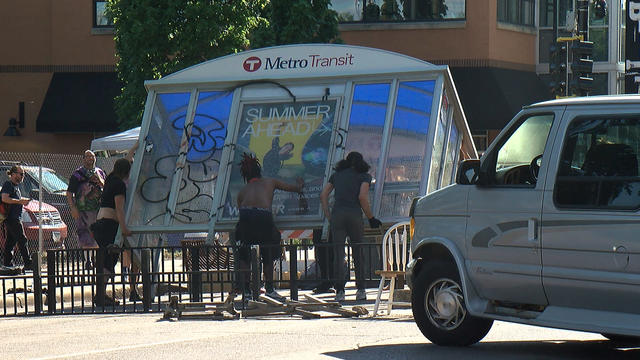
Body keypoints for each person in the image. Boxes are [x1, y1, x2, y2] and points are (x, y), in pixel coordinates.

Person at [235, 153, 304, 302]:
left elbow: (240, 208)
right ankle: (270, 289)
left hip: (246, 216)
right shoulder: (270, 182)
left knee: (245, 253)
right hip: (263, 217)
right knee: (267, 253)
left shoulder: (242, 192)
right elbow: (293, 188)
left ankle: (246, 291)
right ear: (259, 171)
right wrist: (299, 185)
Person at [320, 151, 382, 302]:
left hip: (338, 215)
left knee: (339, 254)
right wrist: (371, 217)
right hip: (354, 215)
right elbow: (362, 197)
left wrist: (328, 214)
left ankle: (340, 291)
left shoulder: (337, 175)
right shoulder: (364, 176)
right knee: (358, 253)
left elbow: (323, 195)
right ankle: (360, 290)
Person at [90, 158, 132, 306]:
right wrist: (125, 228)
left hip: (100, 223)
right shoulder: (119, 185)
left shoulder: (109, 180)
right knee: (109, 260)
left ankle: (100, 294)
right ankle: (101, 296)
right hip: (109, 225)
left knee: (104, 260)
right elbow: (119, 209)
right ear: (127, 172)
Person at [66, 150, 105, 269]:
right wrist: (73, 207)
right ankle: (88, 260)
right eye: (87, 156)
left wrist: (100, 180)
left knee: (98, 234)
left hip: (98, 209)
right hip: (82, 210)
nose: (90, 159)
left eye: (92, 156)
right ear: (83, 159)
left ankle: (96, 259)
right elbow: (69, 193)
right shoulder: (77, 174)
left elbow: (105, 187)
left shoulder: (100, 172)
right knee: (84, 234)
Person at [1, 165, 33, 270]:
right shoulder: (8, 185)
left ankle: (7, 263)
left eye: (23, 174)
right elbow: (5, 198)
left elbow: (15, 199)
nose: (22, 176)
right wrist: (20, 201)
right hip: (12, 218)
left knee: (11, 241)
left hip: (16, 217)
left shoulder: (16, 187)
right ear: (13, 174)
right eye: (21, 174)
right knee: (22, 239)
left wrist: (24, 200)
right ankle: (28, 263)